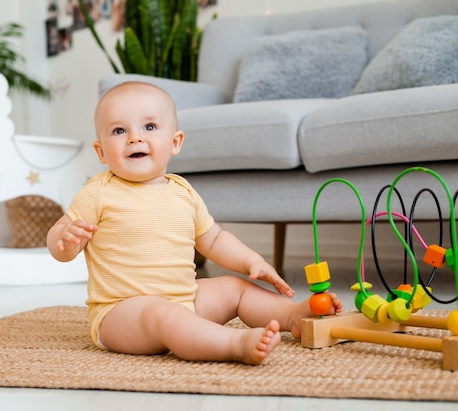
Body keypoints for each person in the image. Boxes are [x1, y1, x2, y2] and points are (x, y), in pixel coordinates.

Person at [47, 81, 342, 365]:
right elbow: (59, 241)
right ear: (101, 152)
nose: (134, 137)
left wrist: (251, 260)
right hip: (121, 314)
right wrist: (65, 241)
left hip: (186, 299)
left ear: (175, 142)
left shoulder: (183, 191)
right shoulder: (99, 191)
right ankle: (233, 344)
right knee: (163, 314)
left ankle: (292, 316)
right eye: (119, 130)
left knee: (234, 288)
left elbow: (213, 239)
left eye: (149, 127)